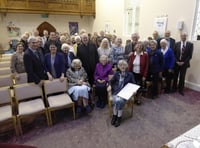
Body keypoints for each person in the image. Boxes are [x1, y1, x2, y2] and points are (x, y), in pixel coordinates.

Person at [107, 60, 135, 127]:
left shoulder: (130, 74)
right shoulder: (116, 74)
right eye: (121, 65)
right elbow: (111, 81)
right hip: (116, 91)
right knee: (118, 100)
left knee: (118, 100)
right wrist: (109, 85)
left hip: (125, 93)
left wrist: (134, 90)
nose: (122, 66)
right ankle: (116, 116)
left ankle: (117, 116)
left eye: (124, 65)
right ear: (119, 67)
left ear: (126, 66)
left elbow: (134, 83)